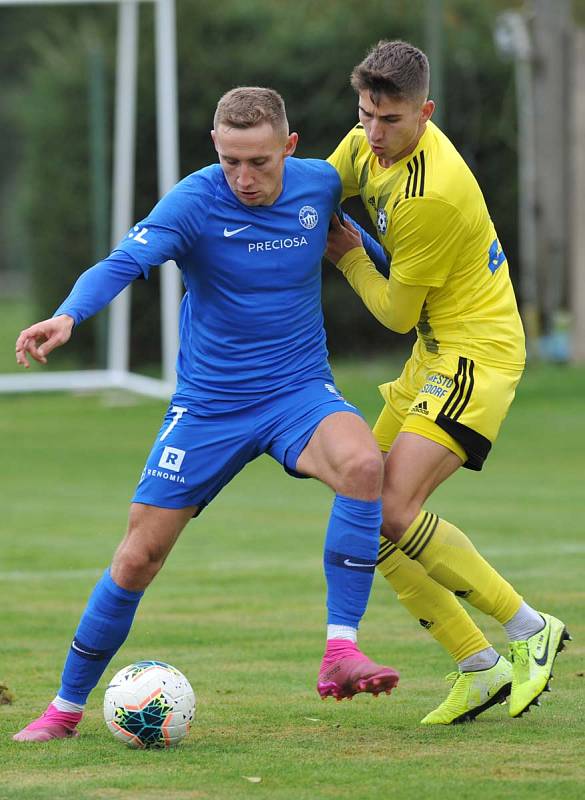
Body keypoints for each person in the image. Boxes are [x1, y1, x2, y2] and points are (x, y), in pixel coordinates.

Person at [12, 87, 399, 743]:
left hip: (297, 391)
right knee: (137, 558)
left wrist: (389, 269)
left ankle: (340, 651)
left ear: (289, 148)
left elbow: (380, 262)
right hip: (209, 405)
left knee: (364, 464)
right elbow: (124, 261)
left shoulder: (321, 185)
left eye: (258, 162)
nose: (243, 178)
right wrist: (70, 314)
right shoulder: (194, 200)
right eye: (229, 162)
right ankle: (64, 709)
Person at [325, 40, 570, 725]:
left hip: (474, 356)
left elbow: (395, 312)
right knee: (363, 519)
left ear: (424, 112)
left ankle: (529, 629)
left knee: (394, 509)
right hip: (432, 358)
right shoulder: (363, 142)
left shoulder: (430, 194)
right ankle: (478, 666)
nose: (374, 134)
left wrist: (346, 259)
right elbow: (320, 181)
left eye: (391, 119)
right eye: (366, 114)